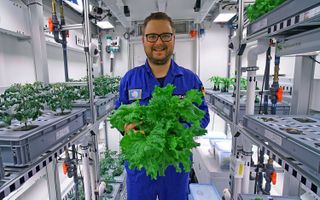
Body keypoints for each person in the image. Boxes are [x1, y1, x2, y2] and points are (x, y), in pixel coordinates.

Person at [115, 12, 210, 200]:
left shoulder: (190, 80)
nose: (159, 42)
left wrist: (177, 132)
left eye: (165, 35)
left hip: (175, 165)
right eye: (152, 36)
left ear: (173, 38)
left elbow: (203, 117)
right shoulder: (129, 79)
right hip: (141, 165)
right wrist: (126, 128)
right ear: (143, 40)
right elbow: (119, 115)